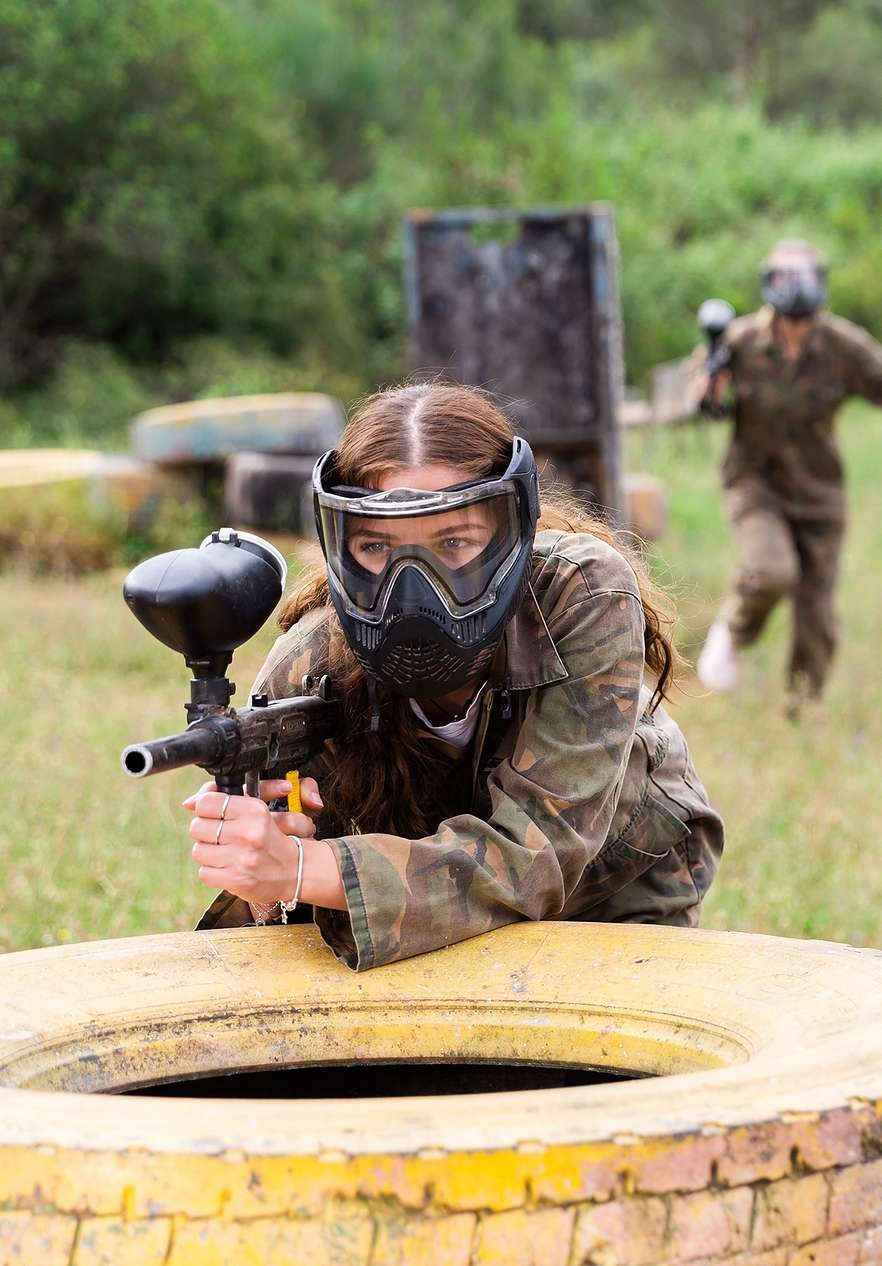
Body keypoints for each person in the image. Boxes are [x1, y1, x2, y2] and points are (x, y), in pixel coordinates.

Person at [187, 382, 723, 970]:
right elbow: (272, 932)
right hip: (434, 901)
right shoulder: (310, 666)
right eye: (375, 547)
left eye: (454, 542)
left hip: (617, 875)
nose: (412, 587)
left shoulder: (579, 597)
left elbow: (538, 855)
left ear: (510, 531)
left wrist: (305, 870)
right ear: (341, 544)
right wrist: (264, 872)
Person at [695, 239, 882, 700]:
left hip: (820, 490)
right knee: (771, 570)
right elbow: (701, 398)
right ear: (769, 285)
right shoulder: (739, 341)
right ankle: (733, 631)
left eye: (805, 277)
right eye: (786, 277)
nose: (796, 289)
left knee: (817, 614)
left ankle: (803, 710)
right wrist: (709, 389)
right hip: (756, 481)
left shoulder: (843, 345)